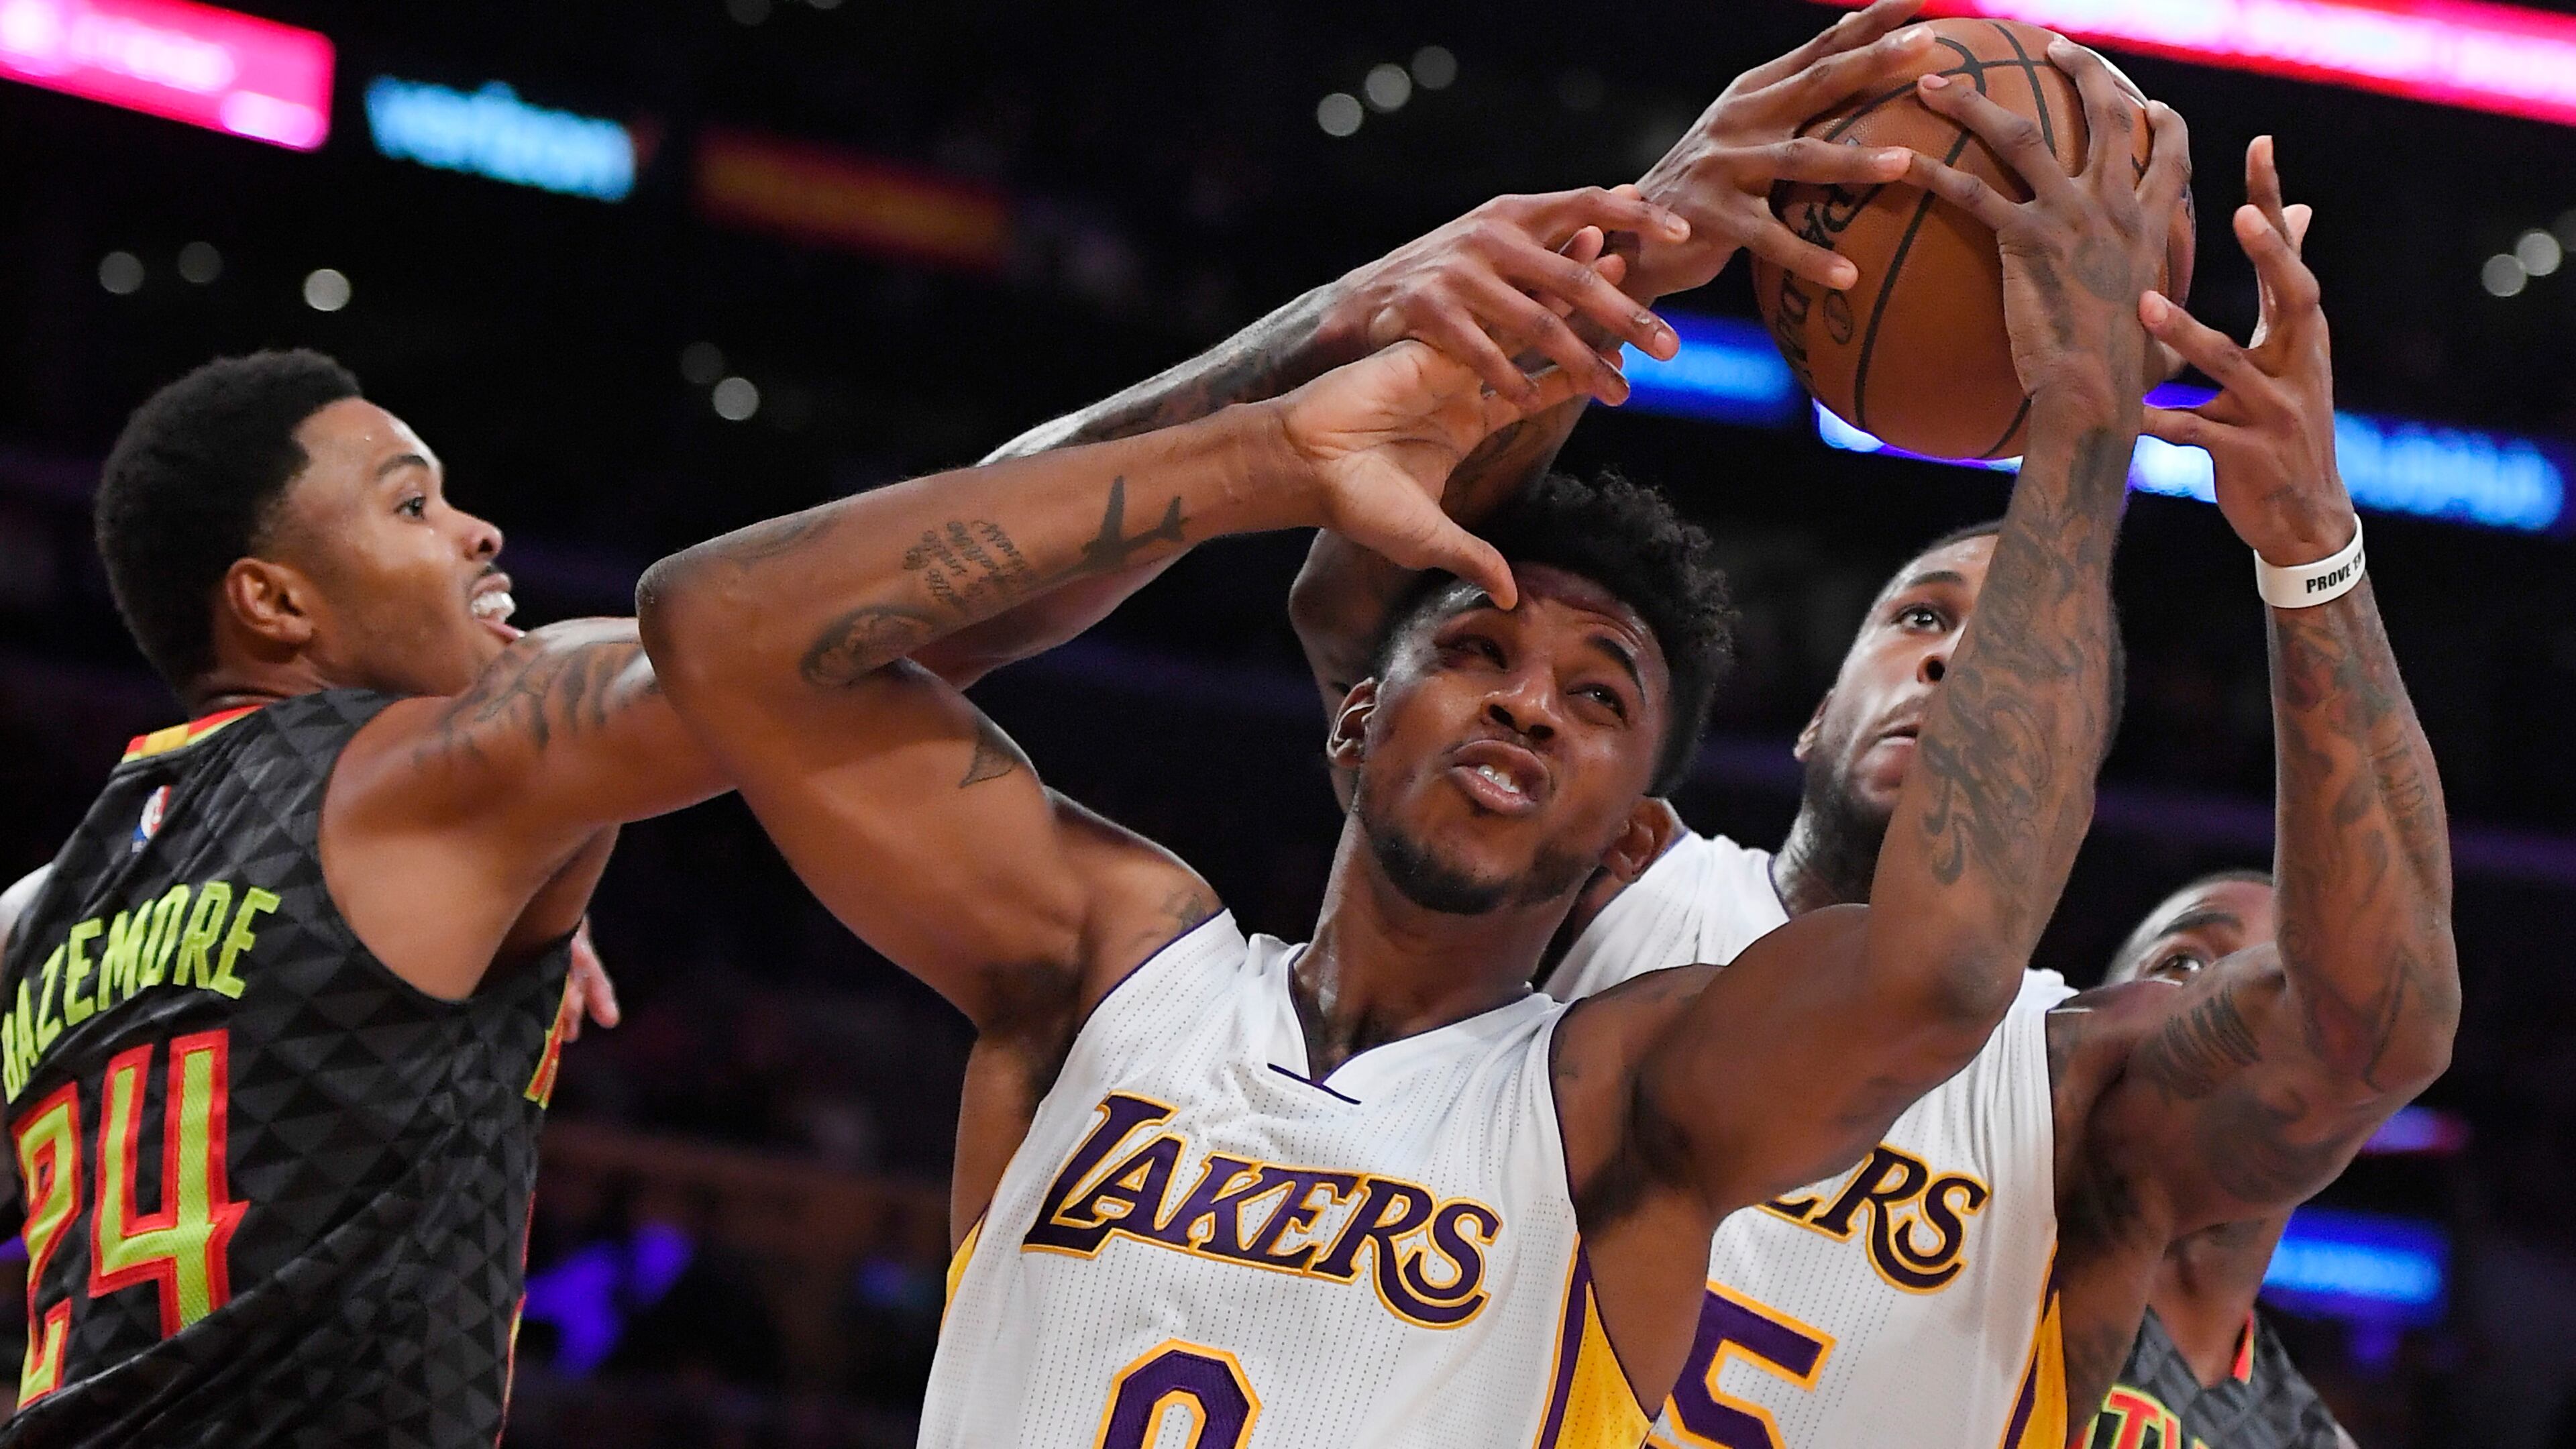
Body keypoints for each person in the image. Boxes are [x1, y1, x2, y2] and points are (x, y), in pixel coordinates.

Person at [635, 44, 2176, 1448]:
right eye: (1477, 651)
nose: (1528, 702)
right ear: (1357, 717)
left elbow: (1943, 967)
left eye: (1599, 700)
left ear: (1633, 838)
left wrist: (2084, 426)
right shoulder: (1107, 960)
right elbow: (719, 626)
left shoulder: (1616, 1096)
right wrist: (1279, 446)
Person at [0, 326, 1412, 1441]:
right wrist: (1292, 372)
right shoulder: (429, 778)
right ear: (274, 603)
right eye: (411, 503)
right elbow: (850, 631)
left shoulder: (51, 908)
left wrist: (422, 925)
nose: (477, 531)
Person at [2096, 872, 2360, 1449]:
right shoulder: (1954, 1251)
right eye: (2185, 965)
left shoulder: (2307, 1440)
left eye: (2295, 1000)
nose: (2234, 1013)